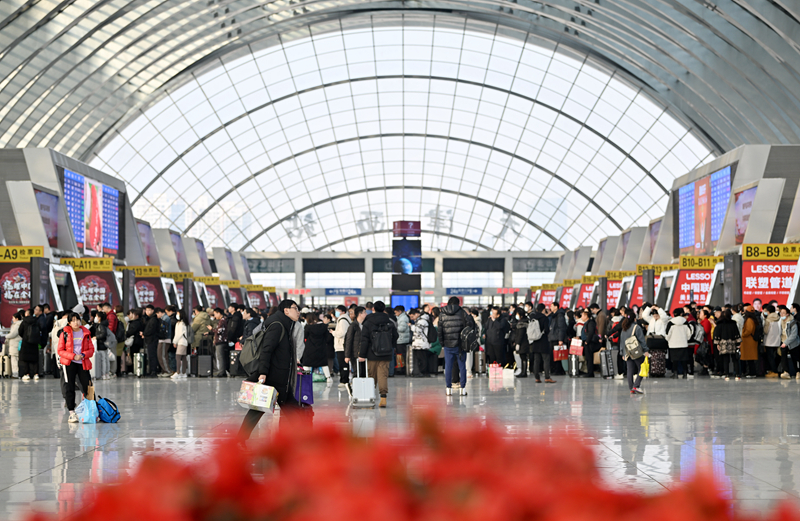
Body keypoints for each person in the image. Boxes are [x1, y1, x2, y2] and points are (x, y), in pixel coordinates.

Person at [238, 300, 303, 440]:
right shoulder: (277, 325)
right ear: (286, 310)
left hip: (279, 376)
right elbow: (266, 350)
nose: (298, 312)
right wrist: (263, 373)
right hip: (274, 376)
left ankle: (304, 439)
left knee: (287, 410)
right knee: (289, 411)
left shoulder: (284, 324)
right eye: (295, 308)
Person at [359, 301, 399, 407]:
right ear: (384, 310)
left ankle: (370, 398)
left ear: (373, 309)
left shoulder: (368, 322)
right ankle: (383, 398)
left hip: (371, 353)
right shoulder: (389, 321)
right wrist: (390, 346)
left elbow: (364, 340)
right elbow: (396, 336)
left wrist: (362, 354)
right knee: (383, 375)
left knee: (371, 376)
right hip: (386, 353)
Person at [57, 312, 95, 423]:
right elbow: (60, 350)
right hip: (69, 363)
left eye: (77, 320)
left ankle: (91, 411)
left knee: (88, 386)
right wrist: (73, 356)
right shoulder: (64, 333)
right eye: (73, 320)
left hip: (82, 362)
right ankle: (71, 412)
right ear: (69, 322)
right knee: (69, 387)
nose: (76, 322)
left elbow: (91, 350)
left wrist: (83, 355)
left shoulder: (86, 333)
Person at [438, 297, 473, 396]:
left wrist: (442, 343)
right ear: (458, 303)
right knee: (462, 367)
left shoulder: (442, 314)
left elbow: (440, 331)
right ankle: (462, 389)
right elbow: (469, 327)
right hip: (460, 345)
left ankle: (448, 389)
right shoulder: (462, 312)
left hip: (448, 345)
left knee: (448, 367)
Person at [619, 311, 648, 394]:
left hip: (627, 352)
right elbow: (642, 340)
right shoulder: (637, 327)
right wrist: (646, 350)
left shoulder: (624, 328)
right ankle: (636, 385)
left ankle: (631, 388)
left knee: (630, 370)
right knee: (642, 367)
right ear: (635, 319)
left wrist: (622, 353)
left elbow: (622, 342)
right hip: (636, 352)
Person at [302, 314, 332, 382]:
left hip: (310, 349)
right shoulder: (323, 326)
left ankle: (305, 378)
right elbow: (328, 338)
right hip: (321, 349)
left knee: (307, 364)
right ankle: (328, 378)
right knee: (324, 364)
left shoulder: (308, 327)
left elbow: (304, 336)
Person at [714, 309, 742, 380]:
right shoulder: (733, 323)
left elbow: (717, 334)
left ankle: (726, 375)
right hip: (733, 343)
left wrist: (717, 343)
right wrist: (738, 343)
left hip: (723, 343)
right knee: (735, 359)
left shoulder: (719, 324)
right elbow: (737, 333)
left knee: (725, 360)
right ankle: (737, 375)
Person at [344, 306, 366, 394]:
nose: (366, 314)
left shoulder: (365, 325)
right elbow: (348, 341)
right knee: (357, 372)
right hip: (355, 353)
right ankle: (353, 389)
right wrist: (347, 355)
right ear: (360, 314)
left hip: (363, 354)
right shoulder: (353, 326)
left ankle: (360, 391)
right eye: (364, 312)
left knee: (363, 372)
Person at [665, 308, 692, 379]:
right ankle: (685, 374)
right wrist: (686, 339)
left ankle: (675, 374)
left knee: (674, 360)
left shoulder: (670, 323)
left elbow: (667, 335)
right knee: (684, 360)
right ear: (681, 314)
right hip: (683, 344)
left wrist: (669, 340)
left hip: (673, 344)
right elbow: (689, 334)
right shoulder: (685, 322)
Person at [408, 308, 434, 377]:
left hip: (421, 343)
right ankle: (422, 372)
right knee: (422, 359)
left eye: (412, 316)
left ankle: (423, 372)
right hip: (419, 343)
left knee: (422, 359)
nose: (411, 318)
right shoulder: (422, 320)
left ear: (416, 314)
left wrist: (411, 326)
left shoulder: (422, 321)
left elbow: (418, 330)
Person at [18, 309, 40, 381]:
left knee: (25, 359)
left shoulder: (24, 321)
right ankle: (36, 374)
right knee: (35, 359)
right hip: (34, 342)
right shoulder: (36, 321)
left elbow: (20, 331)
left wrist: (25, 337)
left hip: (26, 342)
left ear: (27, 314)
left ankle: (26, 374)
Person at [332, 305, 351, 388]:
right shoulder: (343, 319)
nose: (336, 312)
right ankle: (344, 379)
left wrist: (333, 332)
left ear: (343, 312)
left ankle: (344, 380)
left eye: (338, 310)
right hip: (342, 345)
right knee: (343, 364)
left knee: (343, 364)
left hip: (342, 345)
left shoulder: (343, 320)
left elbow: (342, 333)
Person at [779, 306, 799, 380]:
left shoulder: (792, 322)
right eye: (781, 313)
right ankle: (786, 372)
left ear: (787, 314)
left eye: (783, 313)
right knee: (783, 357)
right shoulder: (780, 321)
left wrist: (786, 343)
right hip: (783, 341)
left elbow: (794, 335)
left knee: (795, 358)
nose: (782, 314)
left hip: (793, 343)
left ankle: (798, 372)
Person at [740, 304, 760, 378]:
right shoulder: (754, 320)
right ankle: (751, 372)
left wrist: (743, 334)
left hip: (748, 342)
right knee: (750, 359)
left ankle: (751, 373)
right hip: (751, 341)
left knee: (749, 359)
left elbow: (748, 330)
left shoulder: (748, 320)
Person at [762, 304, 781, 377]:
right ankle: (773, 370)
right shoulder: (778, 318)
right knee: (774, 356)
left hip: (769, 341)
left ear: (768, 311)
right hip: (777, 340)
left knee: (770, 357)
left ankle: (774, 371)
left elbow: (765, 331)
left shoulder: (768, 320)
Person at [141, 305, 160, 377]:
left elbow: (151, 330)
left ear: (152, 310)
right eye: (146, 310)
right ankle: (151, 370)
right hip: (149, 339)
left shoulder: (153, 319)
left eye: (149, 310)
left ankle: (153, 371)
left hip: (152, 340)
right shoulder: (149, 319)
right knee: (150, 355)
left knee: (152, 355)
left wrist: (144, 333)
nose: (147, 312)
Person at [90, 310, 110, 380]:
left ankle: (104, 374)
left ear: (99, 318)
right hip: (105, 344)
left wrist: (96, 337)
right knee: (106, 359)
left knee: (103, 360)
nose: (95, 318)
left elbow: (103, 334)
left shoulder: (101, 325)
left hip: (101, 344)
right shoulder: (104, 324)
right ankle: (107, 373)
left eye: (96, 316)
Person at [579, 309, 600, 378]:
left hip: (589, 343)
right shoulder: (586, 323)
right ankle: (589, 371)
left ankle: (590, 373)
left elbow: (591, 332)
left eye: (582, 315)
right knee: (587, 358)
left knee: (589, 358)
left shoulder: (590, 323)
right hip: (586, 342)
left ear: (586, 316)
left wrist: (587, 341)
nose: (581, 317)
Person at [208, 308, 228, 377]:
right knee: (221, 357)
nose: (215, 316)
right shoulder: (222, 321)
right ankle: (222, 371)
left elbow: (219, 331)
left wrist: (211, 329)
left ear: (219, 313)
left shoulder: (222, 321)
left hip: (220, 341)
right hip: (221, 341)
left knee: (220, 357)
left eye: (215, 314)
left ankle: (221, 372)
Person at [171, 310, 191, 379]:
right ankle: (184, 372)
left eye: (178, 314)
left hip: (181, 342)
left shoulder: (180, 324)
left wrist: (174, 341)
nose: (177, 315)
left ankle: (178, 372)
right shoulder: (184, 323)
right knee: (183, 357)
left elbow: (178, 334)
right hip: (184, 342)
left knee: (178, 357)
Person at [3, 312, 23, 378]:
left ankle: (15, 374)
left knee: (14, 360)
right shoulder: (18, 324)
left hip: (15, 345)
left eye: (13, 318)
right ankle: (17, 373)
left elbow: (13, 334)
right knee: (15, 359)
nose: (12, 319)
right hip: (15, 344)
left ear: (17, 318)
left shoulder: (17, 325)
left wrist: (6, 336)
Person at [393, 305, 411, 377]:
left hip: (402, 340)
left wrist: (394, 327)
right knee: (401, 355)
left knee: (401, 355)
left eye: (396, 312)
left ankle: (402, 369)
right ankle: (401, 368)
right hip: (401, 339)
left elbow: (401, 329)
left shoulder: (403, 318)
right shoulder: (401, 317)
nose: (395, 314)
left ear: (400, 311)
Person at [512, 308, 529, 378]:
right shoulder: (523, 321)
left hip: (523, 343)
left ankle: (524, 372)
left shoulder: (522, 323)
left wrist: (518, 343)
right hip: (523, 342)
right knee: (523, 357)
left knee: (523, 357)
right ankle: (523, 371)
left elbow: (520, 335)